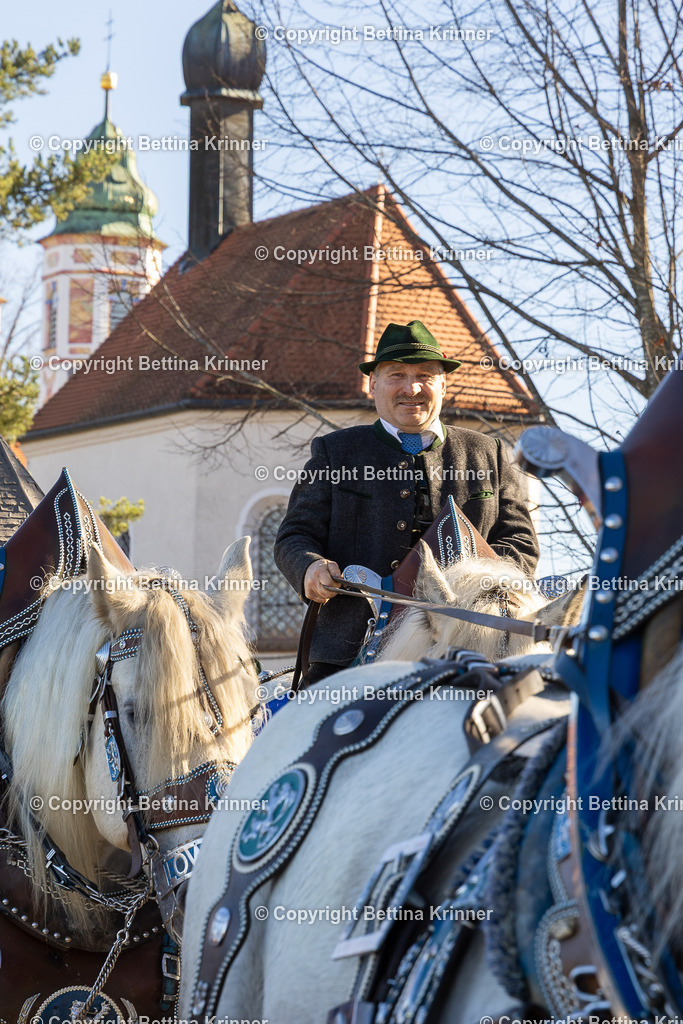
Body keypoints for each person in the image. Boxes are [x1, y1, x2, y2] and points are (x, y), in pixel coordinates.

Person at [274, 320, 539, 682]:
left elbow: (520, 543)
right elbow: (295, 536)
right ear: (373, 384)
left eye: (425, 376)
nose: (411, 388)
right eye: (396, 374)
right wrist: (310, 568)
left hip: (472, 644)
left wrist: (482, 590)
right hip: (349, 647)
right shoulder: (335, 453)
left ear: (443, 384)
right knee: (309, 737)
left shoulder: (489, 453)